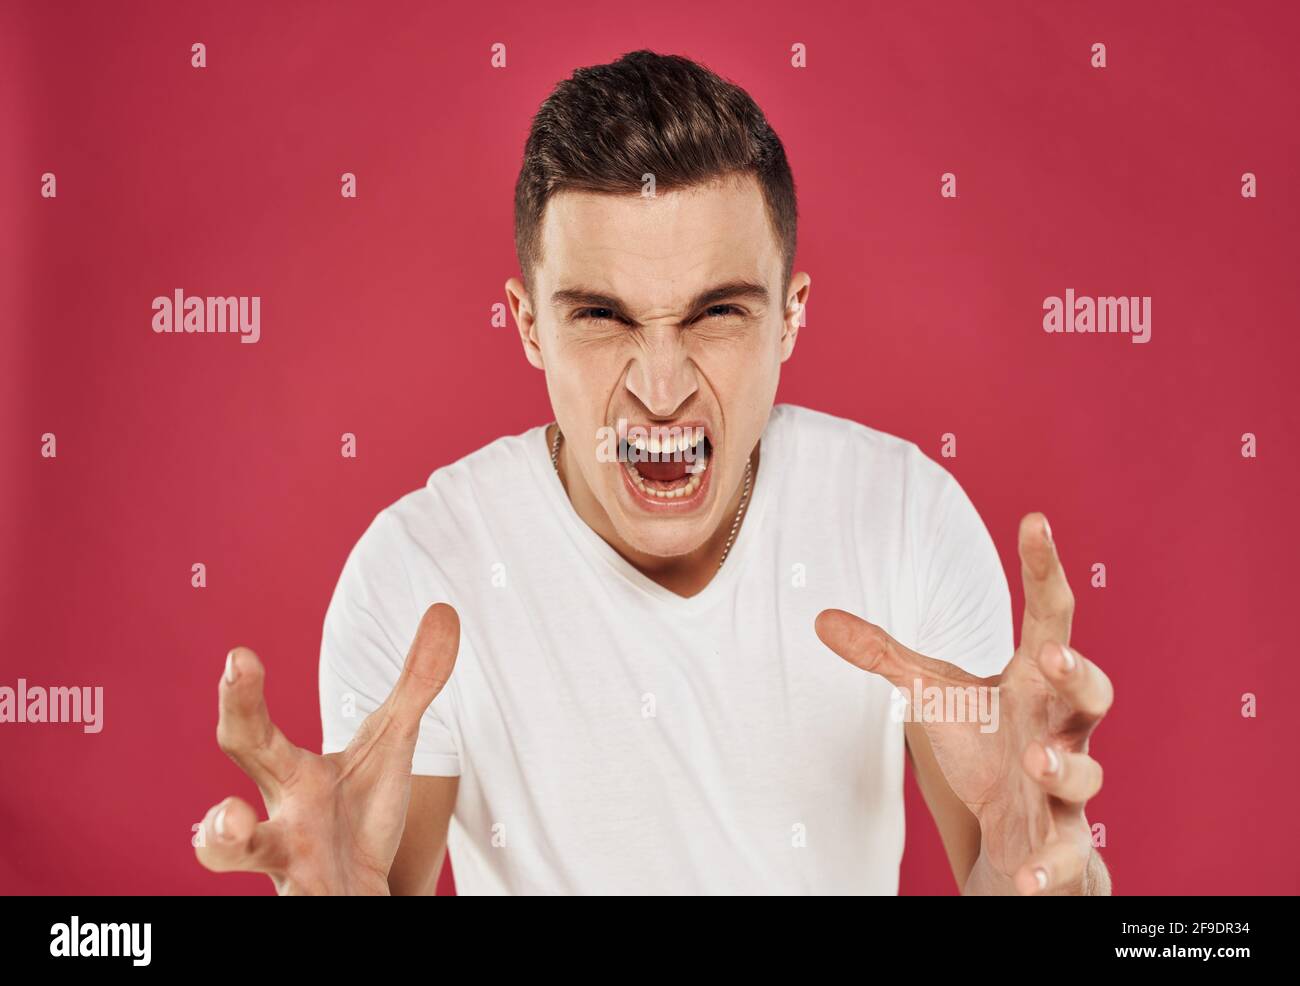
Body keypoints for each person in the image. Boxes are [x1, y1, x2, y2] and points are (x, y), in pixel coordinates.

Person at [194, 50, 1113, 895]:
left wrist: (1037, 871)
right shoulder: (417, 569)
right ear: (526, 325)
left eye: (716, 312)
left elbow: (1012, 874)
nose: (663, 389)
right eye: (601, 316)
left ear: (790, 317)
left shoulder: (909, 518)